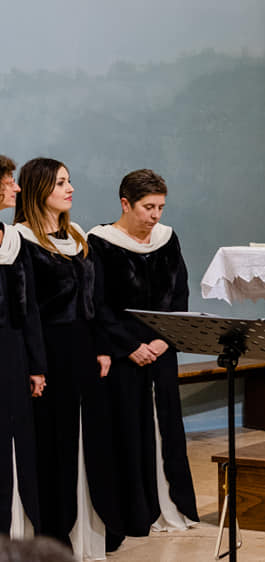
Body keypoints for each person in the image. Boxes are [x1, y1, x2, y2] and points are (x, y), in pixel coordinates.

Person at [13, 158, 121, 558]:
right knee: (54, 440)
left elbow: (95, 301)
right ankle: (55, 532)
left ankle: (92, 529)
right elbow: (29, 311)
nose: (70, 187)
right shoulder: (22, 239)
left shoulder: (76, 235)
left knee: (90, 437)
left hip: (84, 349)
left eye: (69, 180)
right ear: (39, 188)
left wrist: (103, 346)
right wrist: (35, 364)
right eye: (60, 182)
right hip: (51, 350)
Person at [87, 169, 198, 549]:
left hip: (161, 351)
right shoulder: (100, 242)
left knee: (166, 425)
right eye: (148, 207)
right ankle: (135, 510)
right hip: (124, 355)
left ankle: (170, 505)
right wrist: (130, 346)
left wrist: (165, 341)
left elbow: (179, 293)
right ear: (125, 204)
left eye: (161, 207)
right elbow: (98, 305)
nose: (155, 216)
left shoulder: (167, 239)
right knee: (129, 429)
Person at [0, 156, 45, 539]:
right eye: (9, 180)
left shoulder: (13, 240)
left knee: (13, 442)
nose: (16, 188)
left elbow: (28, 309)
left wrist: (36, 365)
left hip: (12, 353)